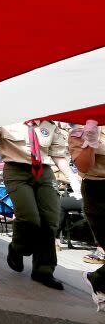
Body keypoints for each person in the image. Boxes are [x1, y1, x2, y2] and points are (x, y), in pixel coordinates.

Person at [0, 122, 62, 290]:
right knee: (29, 217)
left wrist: (72, 178)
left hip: (44, 172)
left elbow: (58, 154)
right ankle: (17, 247)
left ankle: (43, 270)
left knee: (50, 220)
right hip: (16, 170)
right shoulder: (8, 116)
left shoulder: (49, 123)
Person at [68, 120, 105, 311]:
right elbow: (84, 166)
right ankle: (99, 279)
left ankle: (99, 279)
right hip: (98, 190)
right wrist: (90, 142)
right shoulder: (80, 130)